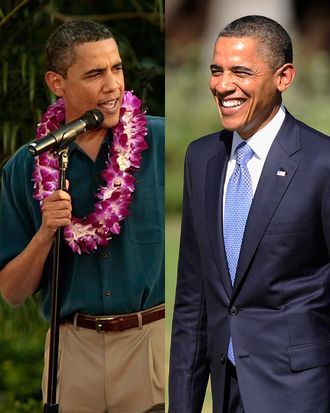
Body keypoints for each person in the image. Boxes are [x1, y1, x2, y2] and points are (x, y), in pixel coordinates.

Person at [0, 20, 164, 413]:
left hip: (154, 343)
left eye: (117, 68)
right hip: (71, 352)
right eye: (94, 73)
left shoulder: (165, 145)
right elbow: (12, 292)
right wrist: (45, 233)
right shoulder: (28, 164)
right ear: (57, 83)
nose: (112, 85)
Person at [169, 15, 330, 413]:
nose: (223, 86)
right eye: (216, 71)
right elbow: (193, 300)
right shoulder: (201, 158)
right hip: (227, 394)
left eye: (240, 71)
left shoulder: (321, 162)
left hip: (302, 394)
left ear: (284, 77)